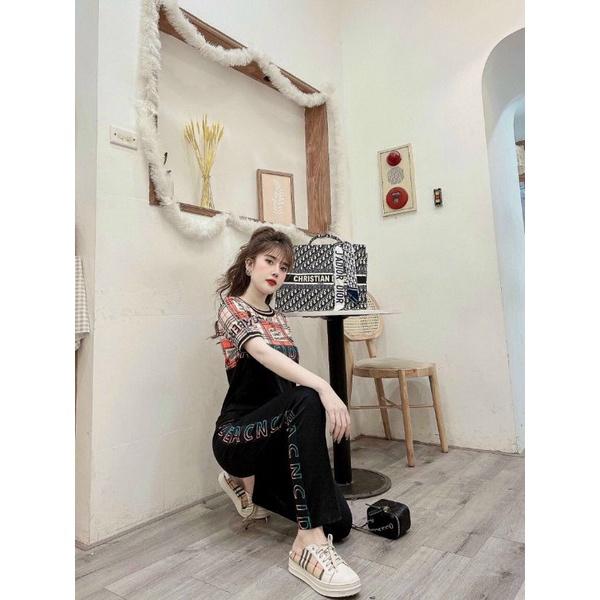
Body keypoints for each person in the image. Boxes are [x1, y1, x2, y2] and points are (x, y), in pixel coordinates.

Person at [211, 226, 361, 598]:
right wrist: (325, 387)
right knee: (307, 396)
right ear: (250, 264)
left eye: (284, 267)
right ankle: (306, 544)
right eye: (269, 261)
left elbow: (285, 389)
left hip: (274, 440)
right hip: (237, 435)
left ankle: (247, 486)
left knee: (340, 523)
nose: (277, 271)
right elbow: (261, 353)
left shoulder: (280, 318)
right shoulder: (232, 307)